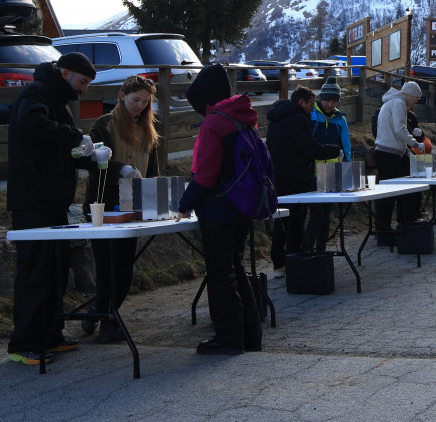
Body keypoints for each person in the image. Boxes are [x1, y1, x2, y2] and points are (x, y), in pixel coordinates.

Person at [6, 52, 99, 365]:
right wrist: (75, 135)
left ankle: (51, 335)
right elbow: (32, 124)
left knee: (56, 271)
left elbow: (62, 147)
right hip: (33, 202)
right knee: (36, 272)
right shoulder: (36, 93)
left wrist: (92, 158)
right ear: (64, 73)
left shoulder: (58, 101)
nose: (84, 89)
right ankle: (25, 343)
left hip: (53, 203)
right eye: (82, 81)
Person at [177, 64, 263, 355]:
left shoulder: (214, 122)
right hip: (243, 205)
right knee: (236, 269)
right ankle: (251, 335)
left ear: (205, 97)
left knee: (220, 273)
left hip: (218, 208)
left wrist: (185, 204)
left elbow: (205, 173)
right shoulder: (245, 118)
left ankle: (228, 338)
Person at [81, 75, 157, 342]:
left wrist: (153, 199)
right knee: (107, 265)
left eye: (145, 102)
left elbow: (153, 169)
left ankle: (100, 312)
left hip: (134, 205)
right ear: (122, 96)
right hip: (104, 205)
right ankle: (107, 318)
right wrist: (119, 169)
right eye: (136, 100)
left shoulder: (149, 127)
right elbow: (90, 159)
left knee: (125, 268)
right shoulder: (105, 124)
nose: (140, 106)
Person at [267, 86, 341, 277]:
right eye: (310, 103)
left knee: (280, 220)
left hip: (277, 175)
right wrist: (334, 150)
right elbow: (309, 148)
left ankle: (278, 264)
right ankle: (294, 260)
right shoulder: (298, 119)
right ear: (301, 102)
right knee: (295, 221)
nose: (312, 107)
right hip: (296, 176)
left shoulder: (276, 118)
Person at [305, 77, 351, 251]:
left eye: (334, 101)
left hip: (332, 173)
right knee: (315, 215)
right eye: (327, 100)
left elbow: (346, 146)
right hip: (314, 173)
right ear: (320, 99)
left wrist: (348, 168)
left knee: (325, 216)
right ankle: (308, 250)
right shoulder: (312, 115)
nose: (330, 105)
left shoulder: (340, 119)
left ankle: (321, 250)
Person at [374, 82, 426, 232]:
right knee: (388, 195)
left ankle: (400, 224)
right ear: (410, 95)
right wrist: (415, 144)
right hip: (389, 154)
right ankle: (384, 230)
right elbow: (400, 129)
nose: (416, 101)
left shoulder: (392, 103)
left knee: (395, 192)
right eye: (416, 98)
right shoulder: (398, 103)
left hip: (391, 152)